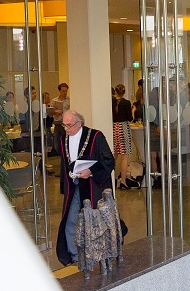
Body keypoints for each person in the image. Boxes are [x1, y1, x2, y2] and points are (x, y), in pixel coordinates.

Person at [57, 110, 114, 266]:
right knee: (70, 220)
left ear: (79, 123)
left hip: (92, 185)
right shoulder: (63, 139)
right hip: (73, 185)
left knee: (96, 221)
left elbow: (109, 160)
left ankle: (99, 253)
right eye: (64, 125)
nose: (66, 129)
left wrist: (91, 171)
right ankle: (74, 256)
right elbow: (64, 164)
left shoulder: (95, 136)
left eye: (69, 125)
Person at [112, 84, 134, 189]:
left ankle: (111, 179)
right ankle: (123, 181)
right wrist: (133, 111)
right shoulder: (126, 103)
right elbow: (130, 118)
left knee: (114, 154)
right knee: (124, 156)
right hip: (123, 127)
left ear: (115, 92)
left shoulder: (111, 102)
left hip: (114, 127)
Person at [51, 83, 70, 159]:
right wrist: (55, 111)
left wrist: (63, 112)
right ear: (59, 91)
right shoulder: (54, 100)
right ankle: (62, 157)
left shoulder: (70, 100)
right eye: (63, 91)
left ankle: (66, 158)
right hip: (57, 123)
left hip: (66, 124)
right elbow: (50, 113)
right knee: (56, 145)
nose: (64, 93)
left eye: (66, 91)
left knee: (66, 143)